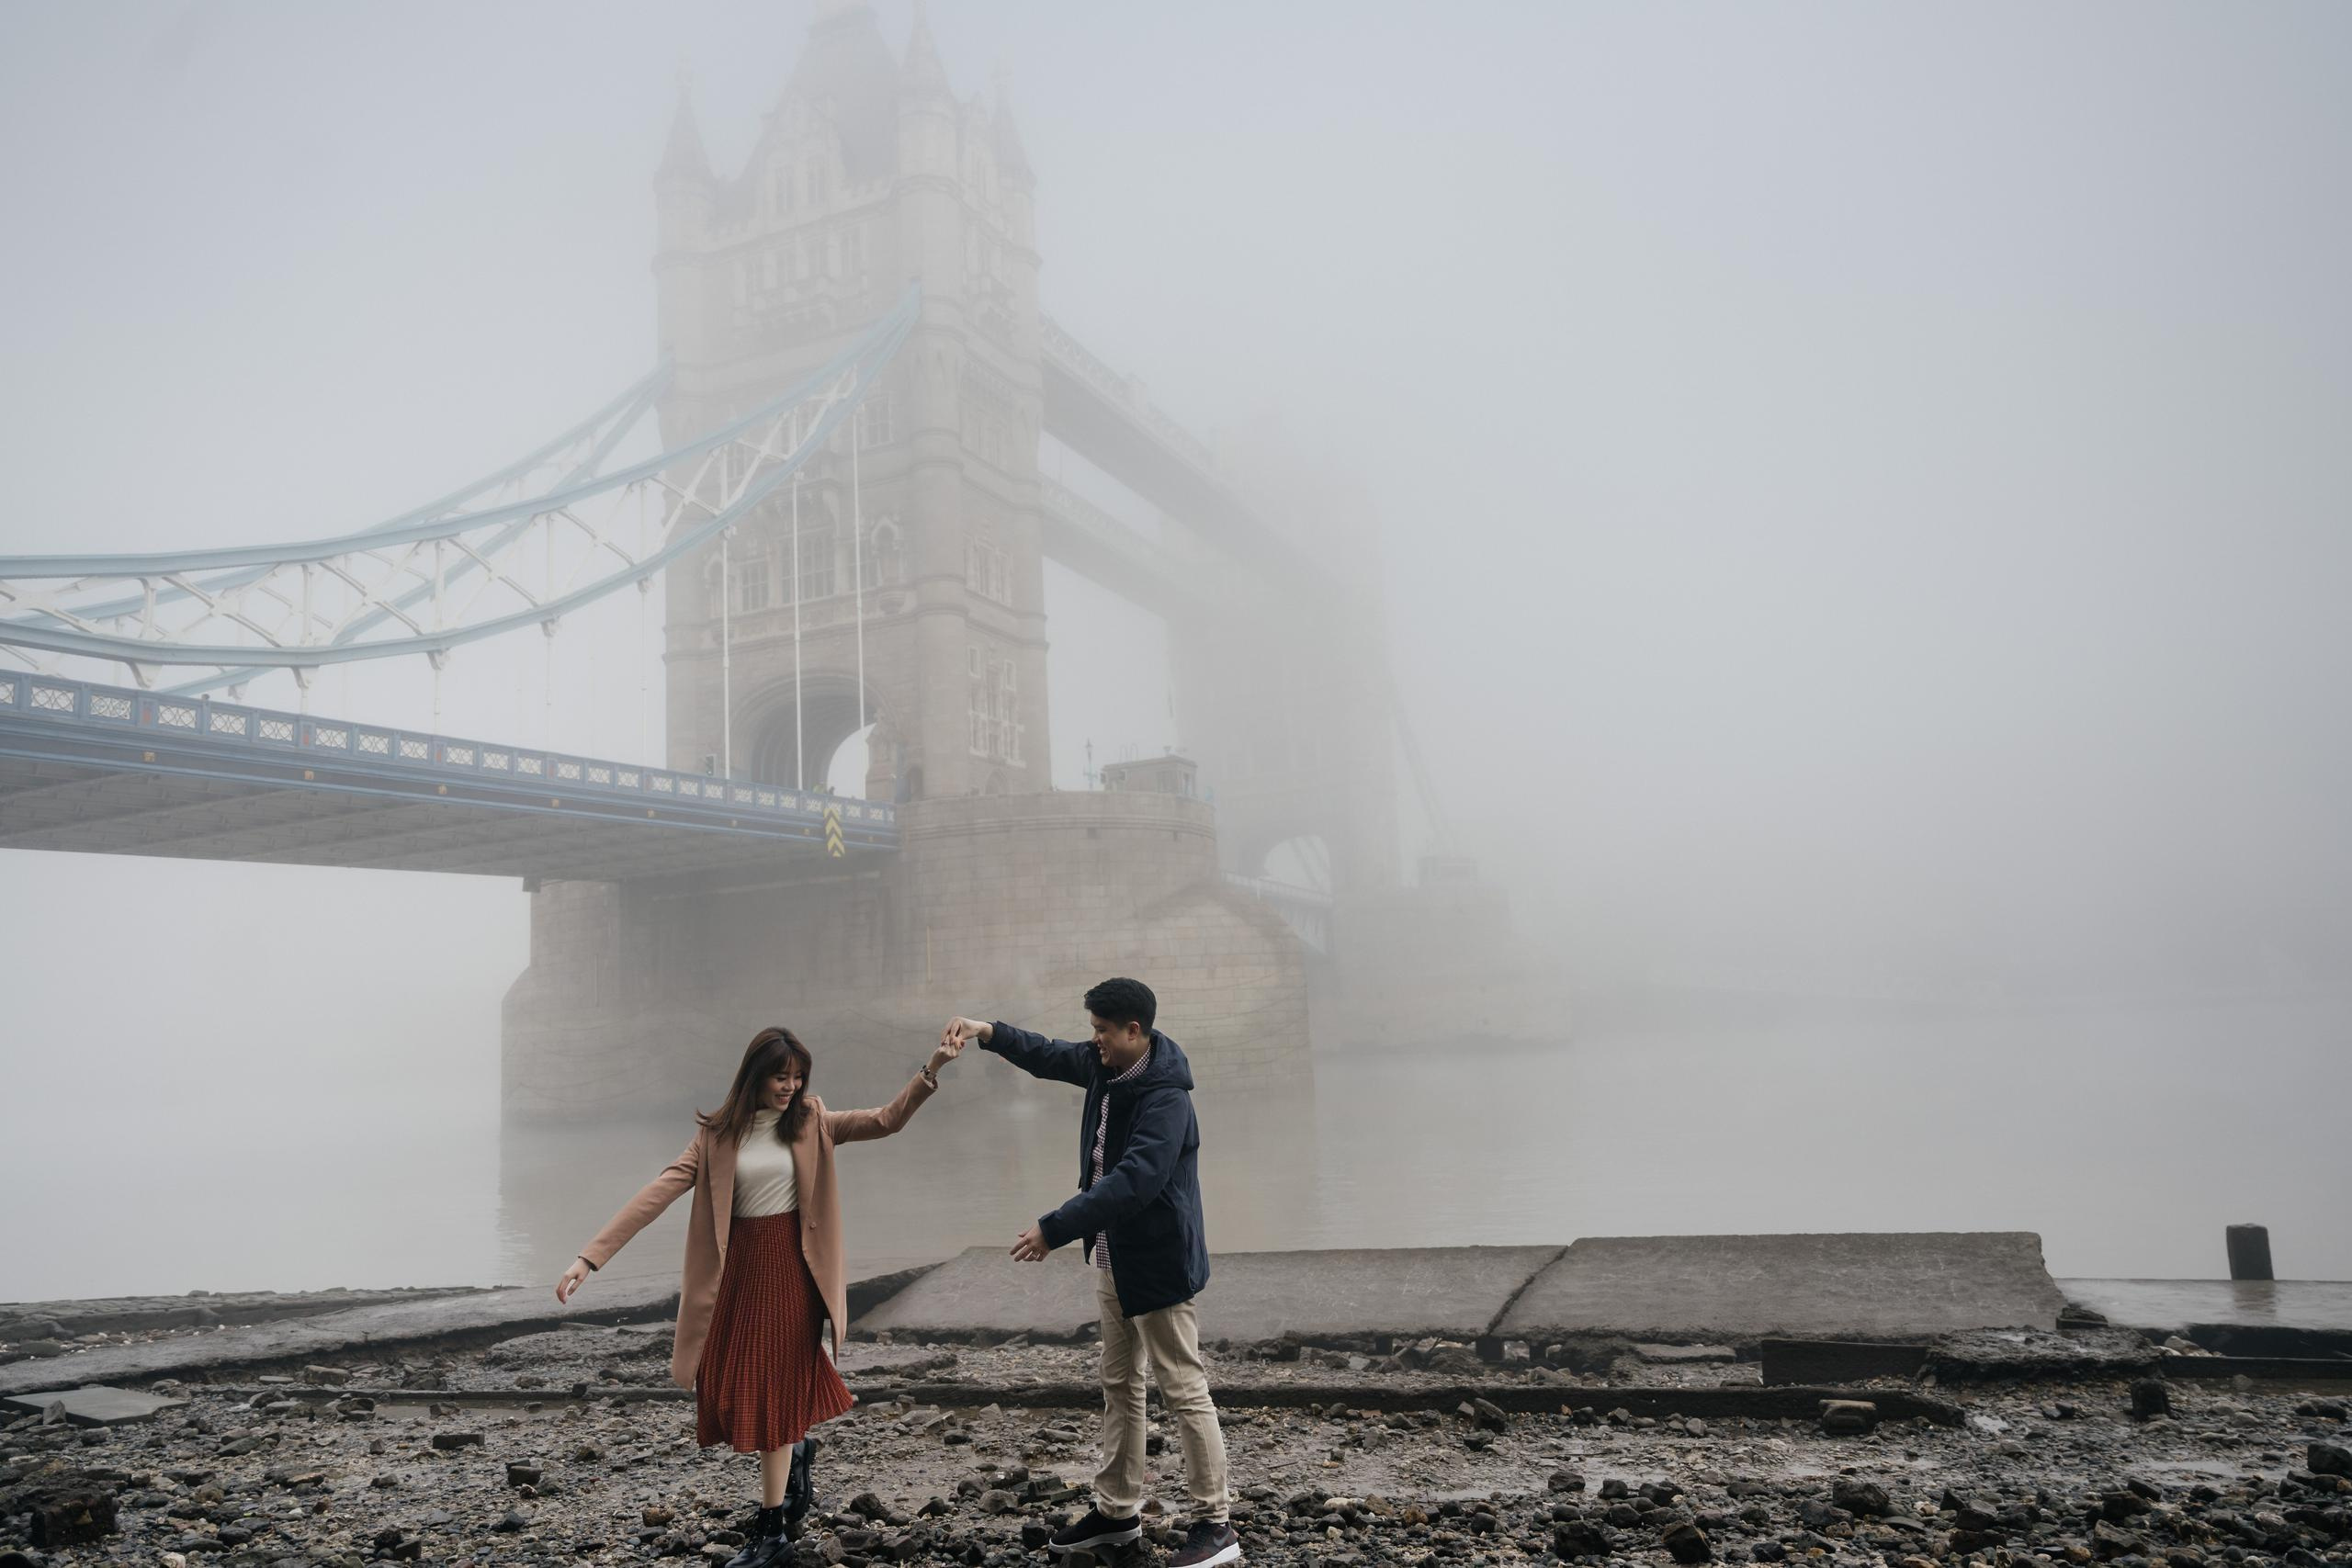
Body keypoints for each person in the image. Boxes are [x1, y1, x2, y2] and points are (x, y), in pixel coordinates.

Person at [556, 1025, 963, 1568]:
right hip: (736, 1276)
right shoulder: (717, 1136)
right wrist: (590, 1257)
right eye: (780, 1076)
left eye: (798, 1077)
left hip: (791, 1272)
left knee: (771, 1398)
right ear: (755, 1076)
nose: (790, 1086)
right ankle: (796, 1453)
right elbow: (657, 1193)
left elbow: (887, 1120)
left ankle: (772, 1534)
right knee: (723, 1383)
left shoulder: (813, 1121)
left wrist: (931, 1068)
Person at [942, 978, 1242, 1568]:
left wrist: (1054, 1228)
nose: (1094, 1041)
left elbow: (1135, 1182)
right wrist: (987, 1032)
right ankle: (1116, 1514)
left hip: (1157, 1264)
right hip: (1112, 1258)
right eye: (1093, 1031)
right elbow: (1048, 1054)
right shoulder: (1108, 1067)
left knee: (1183, 1388)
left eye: (1103, 1031)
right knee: (1120, 1386)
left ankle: (1216, 1525)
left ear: (1135, 1030)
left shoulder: (1166, 1098)